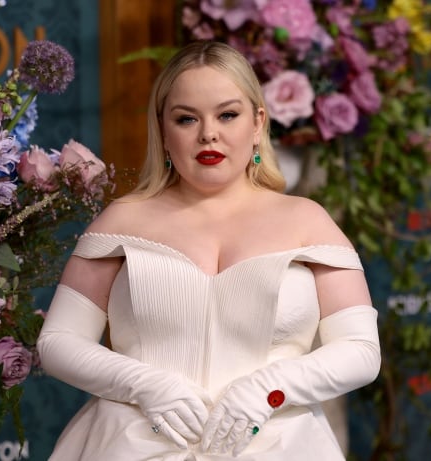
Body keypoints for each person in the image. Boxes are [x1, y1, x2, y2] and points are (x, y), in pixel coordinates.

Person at [37, 40, 381, 460]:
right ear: (162, 129)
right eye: (186, 119)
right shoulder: (121, 220)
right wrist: (144, 385)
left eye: (227, 114)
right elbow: (57, 342)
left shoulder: (308, 221)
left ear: (257, 123)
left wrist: (268, 391)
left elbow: (362, 351)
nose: (208, 133)